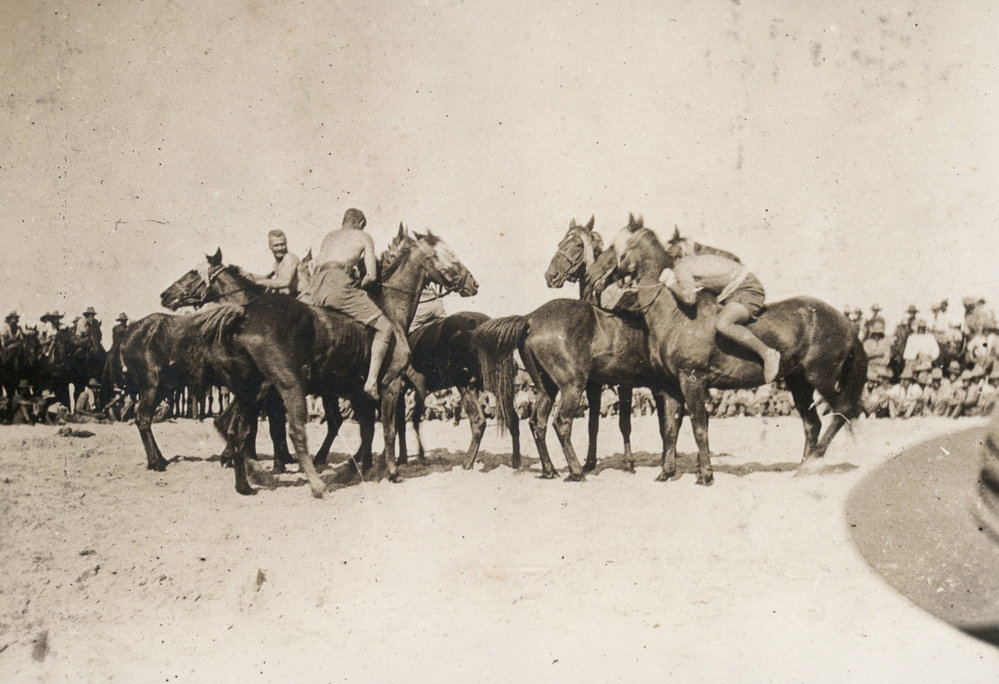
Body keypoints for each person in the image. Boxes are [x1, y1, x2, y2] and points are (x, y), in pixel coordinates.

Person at [313, 208, 409, 399]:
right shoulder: (363, 235)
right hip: (339, 287)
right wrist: (358, 284)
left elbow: (316, 265)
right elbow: (372, 276)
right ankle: (371, 381)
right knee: (385, 327)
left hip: (317, 288)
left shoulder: (329, 236)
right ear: (361, 223)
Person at [655, 252, 781, 383]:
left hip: (745, 289)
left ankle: (768, 354)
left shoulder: (680, 267)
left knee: (724, 324)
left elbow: (689, 298)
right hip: (737, 289)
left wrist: (669, 282)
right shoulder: (688, 261)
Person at [238, 229, 301, 296]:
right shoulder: (278, 263)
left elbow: (284, 282)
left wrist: (255, 282)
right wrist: (247, 275)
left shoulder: (290, 257)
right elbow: (267, 277)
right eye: (276, 245)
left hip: (303, 300)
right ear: (270, 246)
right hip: (293, 299)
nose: (280, 248)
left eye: (282, 244)